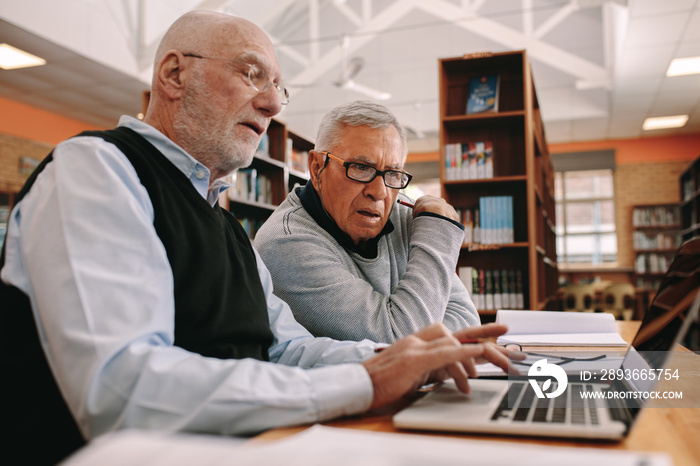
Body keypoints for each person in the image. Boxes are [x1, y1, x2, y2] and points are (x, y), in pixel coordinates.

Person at [0, 10, 511, 465]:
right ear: (175, 74)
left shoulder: (223, 223)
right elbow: (122, 389)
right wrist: (367, 380)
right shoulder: (96, 170)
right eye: (250, 74)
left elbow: (284, 349)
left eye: (277, 87)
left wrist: (402, 360)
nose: (270, 104)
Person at [254, 100, 480, 342]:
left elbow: (467, 321)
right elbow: (400, 342)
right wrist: (438, 233)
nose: (380, 192)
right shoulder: (286, 242)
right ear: (317, 167)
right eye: (361, 167)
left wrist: (415, 325)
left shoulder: (404, 214)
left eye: (393, 173)